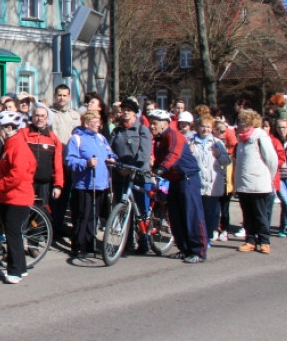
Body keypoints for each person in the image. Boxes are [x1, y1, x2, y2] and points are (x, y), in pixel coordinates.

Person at [150, 108, 207, 263]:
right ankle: (184, 248)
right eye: (150, 123)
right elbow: (159, 160)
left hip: (187, 179)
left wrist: (161, 169)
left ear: (164, 124)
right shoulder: (159, 140)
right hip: (174, 180)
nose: (151, 126)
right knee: (175, 216)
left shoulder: (174, 136)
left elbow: (173, 155)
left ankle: (198, 251)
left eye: (154, 123)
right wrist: (153, 170)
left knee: (191, 215)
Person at [0, 110, 35, 284]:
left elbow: (17, 175)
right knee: (13, 233)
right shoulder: (10, 144)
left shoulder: (17, 146)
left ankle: (15, 272)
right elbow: (7, 169)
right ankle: (21, 268)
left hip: (18, 197)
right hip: (9, 195)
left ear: (9, 128)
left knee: (13, 234)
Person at [66, 111, 117, 258]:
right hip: (84, 185)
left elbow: (110, 153)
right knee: (82, 215)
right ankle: (77, 246)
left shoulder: (101, 138)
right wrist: (86, 163)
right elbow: (70, 161)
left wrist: (113, 160)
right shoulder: (76, 139)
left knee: (93, 216)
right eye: (95, 121)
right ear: (87, 123)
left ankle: (90, 245)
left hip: (100, 183)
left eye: (99, 121)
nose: (98, 124)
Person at [109, 97, 153, 250]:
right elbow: (110, 149)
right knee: (122, 209)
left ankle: (144, 241)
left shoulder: (142, 130)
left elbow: (144, 153)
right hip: (120, 175)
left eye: (129, 110)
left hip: (139, 176)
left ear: (135, 113)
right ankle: (126, 241)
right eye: (124, 110)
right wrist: (114, 164)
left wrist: (132, 167)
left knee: (141, 210)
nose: (126, 112)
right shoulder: (117, 130)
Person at [232, 109, 277, 253]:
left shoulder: (260, 136)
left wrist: (269, 176)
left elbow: (272, 159)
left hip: (259, 183)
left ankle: (264, 241)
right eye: (240, 121)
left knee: (260, 214)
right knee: (247, 214)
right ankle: (250, 240)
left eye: (244, 122)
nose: (240, 124)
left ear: (252, 122)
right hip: (244, 184)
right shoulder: (241, 139)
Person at [193, 115, 231, 248]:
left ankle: (207, 237)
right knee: (196, 212)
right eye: (203, 126)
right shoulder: (191, 141)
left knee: (210, 213)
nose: (205, 129)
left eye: (208, 127)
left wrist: (219, 155)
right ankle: (197, 236)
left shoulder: (217, 143)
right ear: (197, 127)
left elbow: (227, 161)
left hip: (211, 184)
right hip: (196, 183)